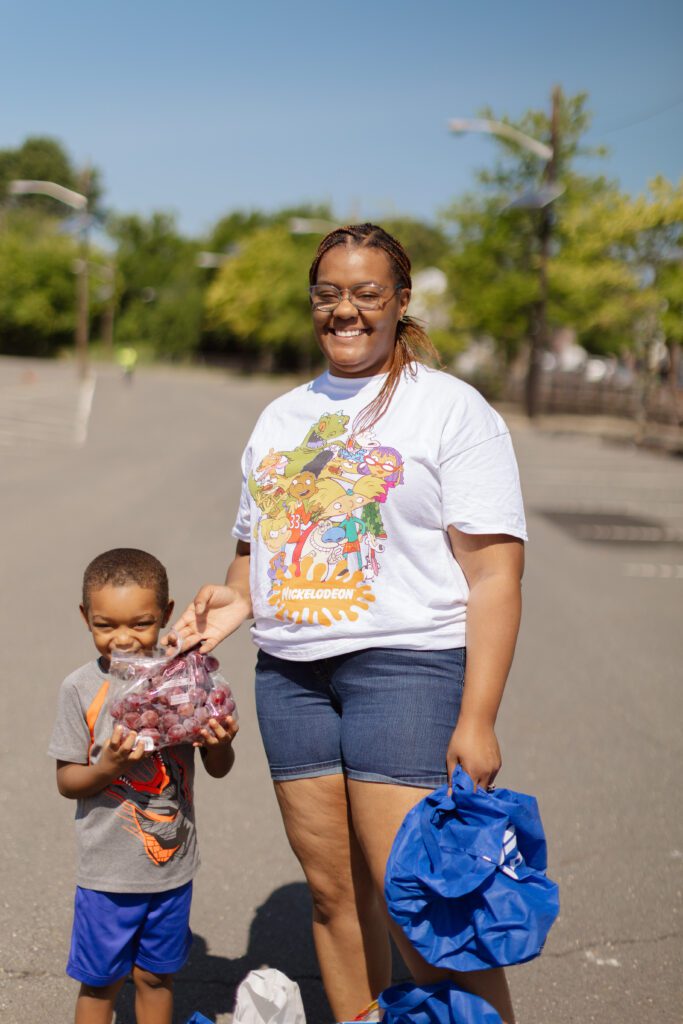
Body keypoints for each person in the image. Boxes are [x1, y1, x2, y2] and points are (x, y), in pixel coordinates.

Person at [171, 224, 526, 1023]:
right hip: (290, 677)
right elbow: (253, 550)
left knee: (421, 902)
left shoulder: (449, 410)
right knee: (333, 896)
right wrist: (234, 597)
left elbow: (495, 572)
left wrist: (479, 717)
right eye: (328, 294)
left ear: (400, 302)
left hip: (404, 669)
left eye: (366, 294)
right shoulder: (280, 416)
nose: (345, 311)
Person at [48, 548, 238, 1024]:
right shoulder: (80, 689)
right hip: (106, 876)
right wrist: (108, 766)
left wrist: (219, 742)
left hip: (171, 871)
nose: (124, 639)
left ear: (168, 615)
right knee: (100, 983)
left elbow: (218, 767)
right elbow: (68, 780)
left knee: (155, 977)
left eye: (141, 623)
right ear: (84, 618)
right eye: (105, 625)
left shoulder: (185, 681)